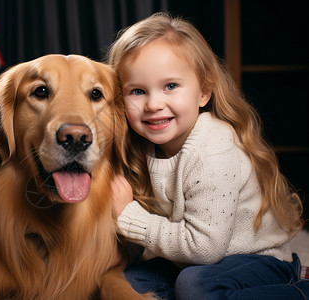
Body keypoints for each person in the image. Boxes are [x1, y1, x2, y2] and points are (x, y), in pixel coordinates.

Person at [108, 12, 308, 300]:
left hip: (258, 261)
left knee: (196, 287)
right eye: (137, 91)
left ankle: (299, 292)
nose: (153, 104)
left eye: (170, 86)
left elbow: (204, 248)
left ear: (203, 92)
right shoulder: (143, 147)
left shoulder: (213, 147)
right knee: (127, 285)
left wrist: (128, 216)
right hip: (190, 261)